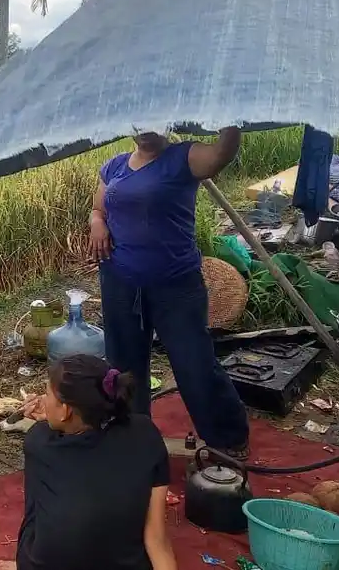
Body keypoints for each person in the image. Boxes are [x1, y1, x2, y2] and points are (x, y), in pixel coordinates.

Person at [90, 129, 250, 459]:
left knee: (194, 362)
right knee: (123, 363)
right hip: (120, 280)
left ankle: (228, 437)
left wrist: (232, 120)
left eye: (154, 122)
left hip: (175, 283)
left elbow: (222, 153)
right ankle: (131, 436)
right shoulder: (115, 166)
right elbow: (99, 208)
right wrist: (96, 221)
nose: (147, 129)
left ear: (167, 123)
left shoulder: (183, 157)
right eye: (140, 123)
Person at [16, 354, 176, 570]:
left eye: (47, 394)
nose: (43, 401)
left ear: (66, 410)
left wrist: (50, 424)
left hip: (44, 564)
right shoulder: (146, 432)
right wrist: (57, 418)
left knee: (40, 510)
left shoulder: (39, 441)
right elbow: (156, 538)